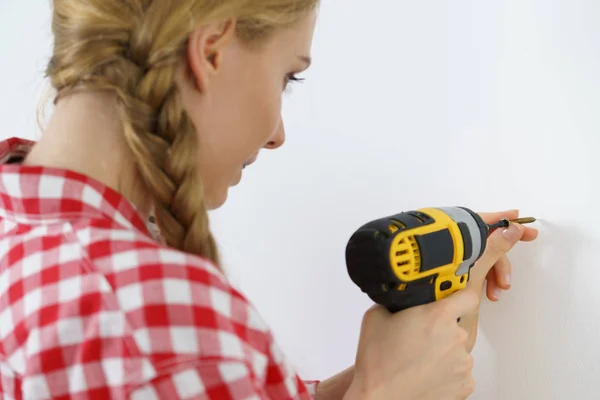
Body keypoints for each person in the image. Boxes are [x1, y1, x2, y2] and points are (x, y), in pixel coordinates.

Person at [0, 0, 539, 399]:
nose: (278, 133)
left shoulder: (21, 229)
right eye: (289, 76)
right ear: (210, 51)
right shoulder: (146, 319)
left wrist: (372, 379)